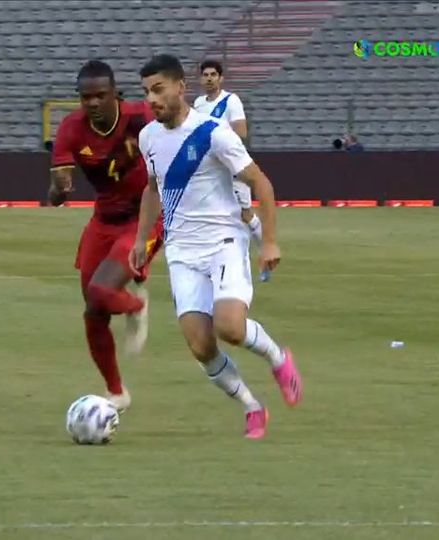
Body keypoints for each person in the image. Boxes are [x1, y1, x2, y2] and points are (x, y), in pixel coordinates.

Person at [130, 54, 303, 439]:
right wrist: (141, 239)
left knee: (230, 327)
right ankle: (252, 406)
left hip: (223, 242)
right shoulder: (148, 138)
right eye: (146, 92)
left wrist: (269, 242)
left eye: (158, 89)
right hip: (181, 252)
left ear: (180, 87)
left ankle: (278, 359)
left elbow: (261, 183)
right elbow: (153, 189)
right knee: (201, 346)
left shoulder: (213, 133)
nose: (151, 99)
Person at [50, 60, 163, 412]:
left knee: (102, 290)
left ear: (115, 93)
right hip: (103, 221)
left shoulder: (142, 117)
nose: (93, 103)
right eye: (86, 97)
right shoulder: (71, 128)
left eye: (100, 95)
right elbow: (55, 195)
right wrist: (59, 189)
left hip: (143, 219)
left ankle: (137, 305)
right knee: (93, 310)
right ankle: (116, 391)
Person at [193, 61, 263, 255]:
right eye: (205, 75)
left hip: (232, 166)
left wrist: (218, 143)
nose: (209, 78)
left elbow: (241, 133)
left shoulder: (231, 101)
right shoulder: (198, 104)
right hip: (211, 170)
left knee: (245, 214)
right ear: (200, 79)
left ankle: (265, 249)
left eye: (213, 75)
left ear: (221, 78)